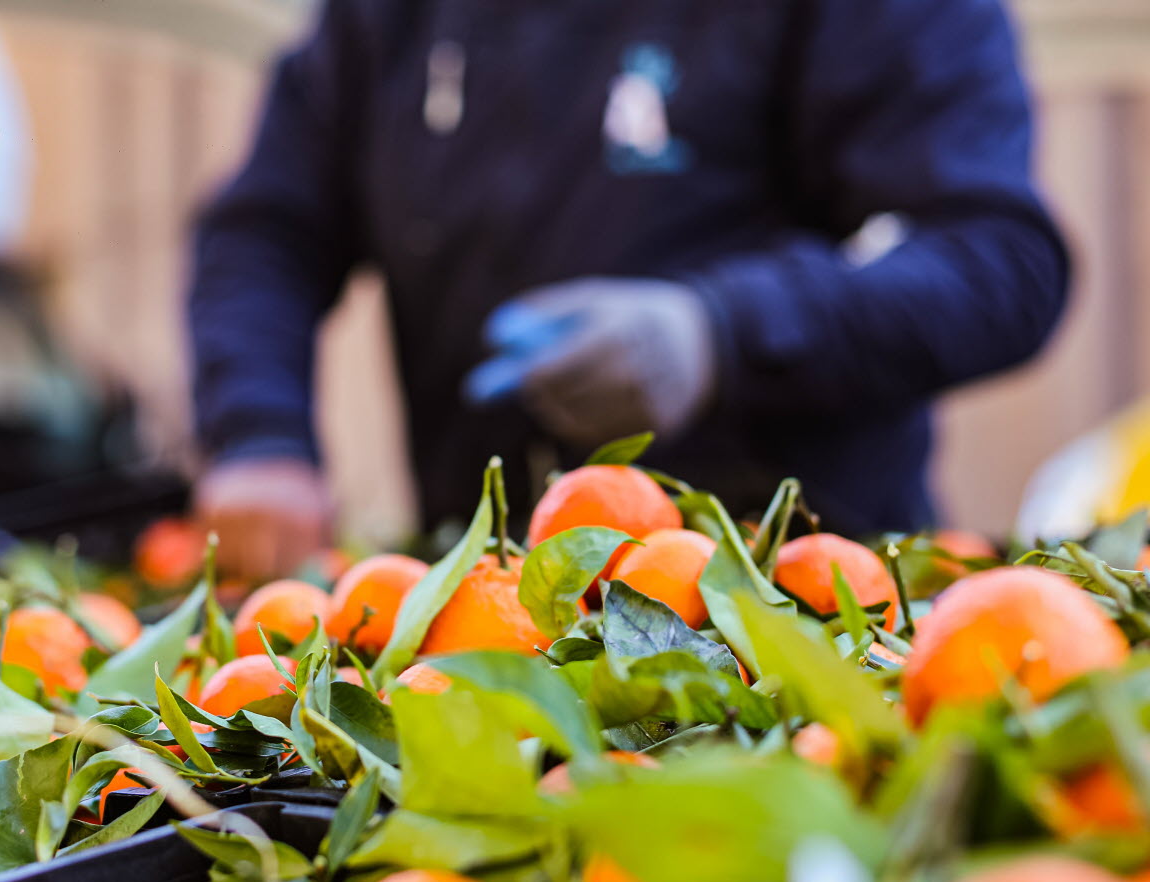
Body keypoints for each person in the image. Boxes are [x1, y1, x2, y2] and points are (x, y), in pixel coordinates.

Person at [188, 0, 1069, 578]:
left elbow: (997, 258)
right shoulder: (388, 19)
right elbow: (268, 228)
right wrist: (260, 432)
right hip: (482, 632)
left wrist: (721, 335)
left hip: (800, 619)